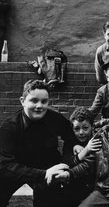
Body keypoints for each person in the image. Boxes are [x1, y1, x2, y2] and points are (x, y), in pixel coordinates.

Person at [0, 79, 78, 207]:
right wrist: (41, 174)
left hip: (46, 166)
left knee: (54, 200)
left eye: (44, 101)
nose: (39, 106)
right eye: (34, 100)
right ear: (22, 101)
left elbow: (70, 134)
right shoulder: (9, 127)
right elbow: (4, 165)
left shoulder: (54, 118)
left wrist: (75, 145)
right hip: (17, 169)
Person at [62, 106, 102, 206]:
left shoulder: (96, 140)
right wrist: (85, 151)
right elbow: (67, 163)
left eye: (85, 128)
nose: (81, 132)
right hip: (75, 186)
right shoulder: (70, 143)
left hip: (94, 186)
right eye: (77, 129)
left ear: (92, 126)